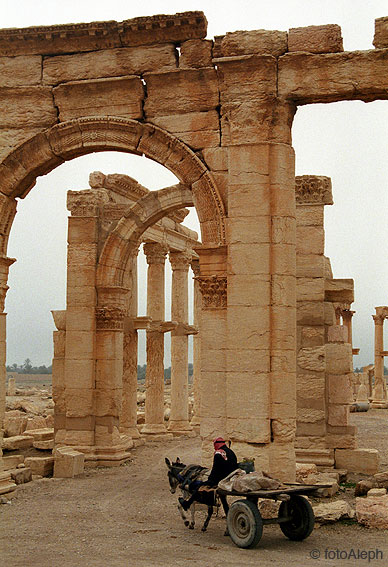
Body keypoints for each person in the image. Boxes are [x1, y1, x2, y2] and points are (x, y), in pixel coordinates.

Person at [179, 437, 238, 511]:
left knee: (199, 487)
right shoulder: (230, 451)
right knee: (223, 499)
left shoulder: (218, 453)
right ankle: (227, 512)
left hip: (221, 479)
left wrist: (210, 480)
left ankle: (187, 504)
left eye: (214, 445)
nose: (214, 447)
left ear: (216, 444)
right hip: (231, 476)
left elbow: (215, 469)